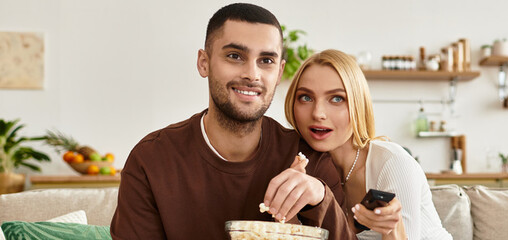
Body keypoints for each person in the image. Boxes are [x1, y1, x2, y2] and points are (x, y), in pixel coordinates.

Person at [110, 4, 354, 240]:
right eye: (235, 56)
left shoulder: (309, 161)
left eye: (266, 60)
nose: (252, 74)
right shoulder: (151, 160)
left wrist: (321, 198)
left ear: (279, 73)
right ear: (204, 62)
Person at [284, 49, 452, 240]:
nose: (318, 113)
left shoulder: (392, 163)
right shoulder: (308, 169)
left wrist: (392, 230)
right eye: (306, 97)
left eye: (337, 98)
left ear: (358, 104)